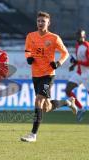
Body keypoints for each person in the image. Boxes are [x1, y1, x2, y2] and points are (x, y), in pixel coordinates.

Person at [21, 11, 77, 142]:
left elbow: (65, 53)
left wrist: (58, 63)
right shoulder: (31, 36)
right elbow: (27, 50)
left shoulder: (54, 38)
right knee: (46, 107)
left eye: (43, 21)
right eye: (39, 21)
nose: (40, 23)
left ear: (48, 23)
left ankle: (33, 135)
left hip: (48, 75)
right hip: (36, 74)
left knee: (38, 101)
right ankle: (67, 102)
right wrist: (28, 58)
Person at [66, 29, 89, 122]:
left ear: (84, 36)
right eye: (77, 36)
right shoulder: (77, 45)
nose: (78, 37)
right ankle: (81, 108)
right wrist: (74, 65)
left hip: (87, 74)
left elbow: (88, 63)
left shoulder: (87, 46)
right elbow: (79, 60)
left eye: (80, 35)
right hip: (79, 73)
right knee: (68, 90)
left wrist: (77, 62)